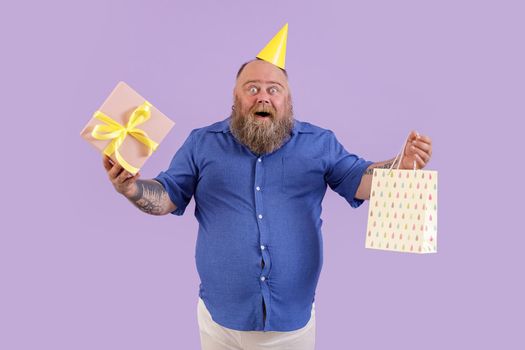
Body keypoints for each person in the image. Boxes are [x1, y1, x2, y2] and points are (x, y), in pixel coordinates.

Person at [102, 57, 432, 349]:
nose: (263, 96)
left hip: (290, 328)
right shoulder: (201, 143)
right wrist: (131, 189)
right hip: (219, 324)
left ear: (288, 101)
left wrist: (398, 167)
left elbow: (360, 180)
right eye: (252, 88)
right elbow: (167, 197)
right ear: (235, 98)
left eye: (274, 89)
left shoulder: (320, 144)